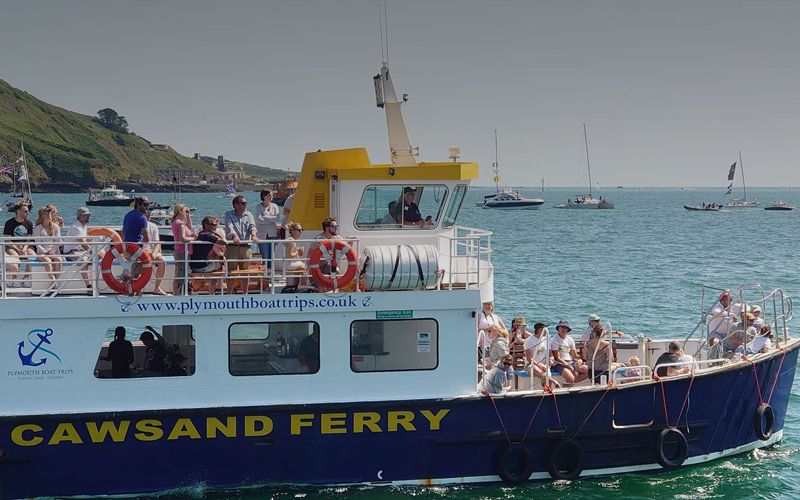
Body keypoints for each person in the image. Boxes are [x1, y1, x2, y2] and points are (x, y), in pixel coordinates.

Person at [190, 216, 228, 294]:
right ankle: (213, 291)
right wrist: (215, 233)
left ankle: (196, 286)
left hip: (193, 266)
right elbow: (225, 242)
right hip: (202, 267)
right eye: (212, 224)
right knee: (219, 267)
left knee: (213, 262)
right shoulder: (208, 236)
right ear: (206, 225)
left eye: (215, 224)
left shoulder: (200, 234)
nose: (214, 226)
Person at [223, 195, 258, 275]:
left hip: (245, 246)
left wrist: (253, 235)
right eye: (243, 203)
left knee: (246, 272)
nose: (245, 205)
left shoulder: (249, 214)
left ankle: (245, 288)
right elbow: (229, 226)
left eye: (245, 203)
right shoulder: (228, 214)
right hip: (232, 247)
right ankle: (230, 288)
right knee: (230, 272)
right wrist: (234, 236)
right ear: (236, 204)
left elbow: (252, 226)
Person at [4, 201, 35, 286]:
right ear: (18, 211)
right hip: (12, 247)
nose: (28, 213)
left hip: (25, 246)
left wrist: (24, 249)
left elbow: (29, 239)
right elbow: (7, 240)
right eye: (25, 211)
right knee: (15, 258)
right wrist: (17, 249)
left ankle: (26, 277)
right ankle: (14, 278)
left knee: (32, 256)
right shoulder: (9, 223)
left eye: (28, 211)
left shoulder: (29, 223)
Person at [62, 207, 94, 289]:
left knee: (98, 257)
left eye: (88, 215)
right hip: (71, 252)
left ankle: (99, 282)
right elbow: (83, 243)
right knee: (83, 260)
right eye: (86, 215)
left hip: (79, 250)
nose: (88, 217)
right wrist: (94, 251)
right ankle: (88, 285)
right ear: (80, 216)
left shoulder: (83, 226)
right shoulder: (76, 227)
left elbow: (84, 242)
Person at [550, 320, 589, 385]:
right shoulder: (554, 340)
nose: (563, 329)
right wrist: (568, 366)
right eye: (561, 327)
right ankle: (569, 384)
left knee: (589, 370)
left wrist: (579, 360)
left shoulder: (570, 339)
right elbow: (557, 358)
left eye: (565, 328)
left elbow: (574, 355)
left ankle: (568, 384)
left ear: (568, 330)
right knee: (572, 378)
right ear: (558, 328)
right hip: (559, 364)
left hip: (570, 362)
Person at [170, 204, 196, 295]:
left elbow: (189, 227)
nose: (186, 213)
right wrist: (194, 239)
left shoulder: (176, 223)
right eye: (185, 211)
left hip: (181, 251)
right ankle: (177, 295)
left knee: (181, 273)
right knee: (180, 275)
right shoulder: (180, 224)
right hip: (182, 252)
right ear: (180, 211)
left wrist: (188, 216)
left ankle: (177, 294)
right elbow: (183, 239)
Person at [33, 206, 63, 282]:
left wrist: (52, 251)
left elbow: (57, 241)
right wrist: (46, 252)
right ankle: (54, 282)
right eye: (47, 214)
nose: (49, 215)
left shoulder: (56, 227)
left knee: (59, 260)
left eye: (49, 213)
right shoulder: (37, 228)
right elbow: (38, 244)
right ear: (42, 216)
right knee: (47, 261)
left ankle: (56, 281)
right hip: (41, 253)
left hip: (54, 252)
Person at [255, 190, 281, 270]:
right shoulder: (258, 207)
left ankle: (270, 273)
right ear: (264, 196)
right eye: (269, 195)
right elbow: (259, 220)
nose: (271, 197)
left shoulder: (274, 206)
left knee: (271, 255)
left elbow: (277, 218)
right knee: (265, 255)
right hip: (262, 234)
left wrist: (265, 216)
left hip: (272, 233)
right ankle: (265, 273)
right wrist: (271, 217)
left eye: (271, 195)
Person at [144, 211, 168, 295]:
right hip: (139, 252)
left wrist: (154, 253)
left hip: (150, 251)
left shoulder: (153, 226)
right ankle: (137, 289)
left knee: (162, 261)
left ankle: (157, 288)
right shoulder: (136, 224)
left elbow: (157, 243)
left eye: (148, 214)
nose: (147, 215)